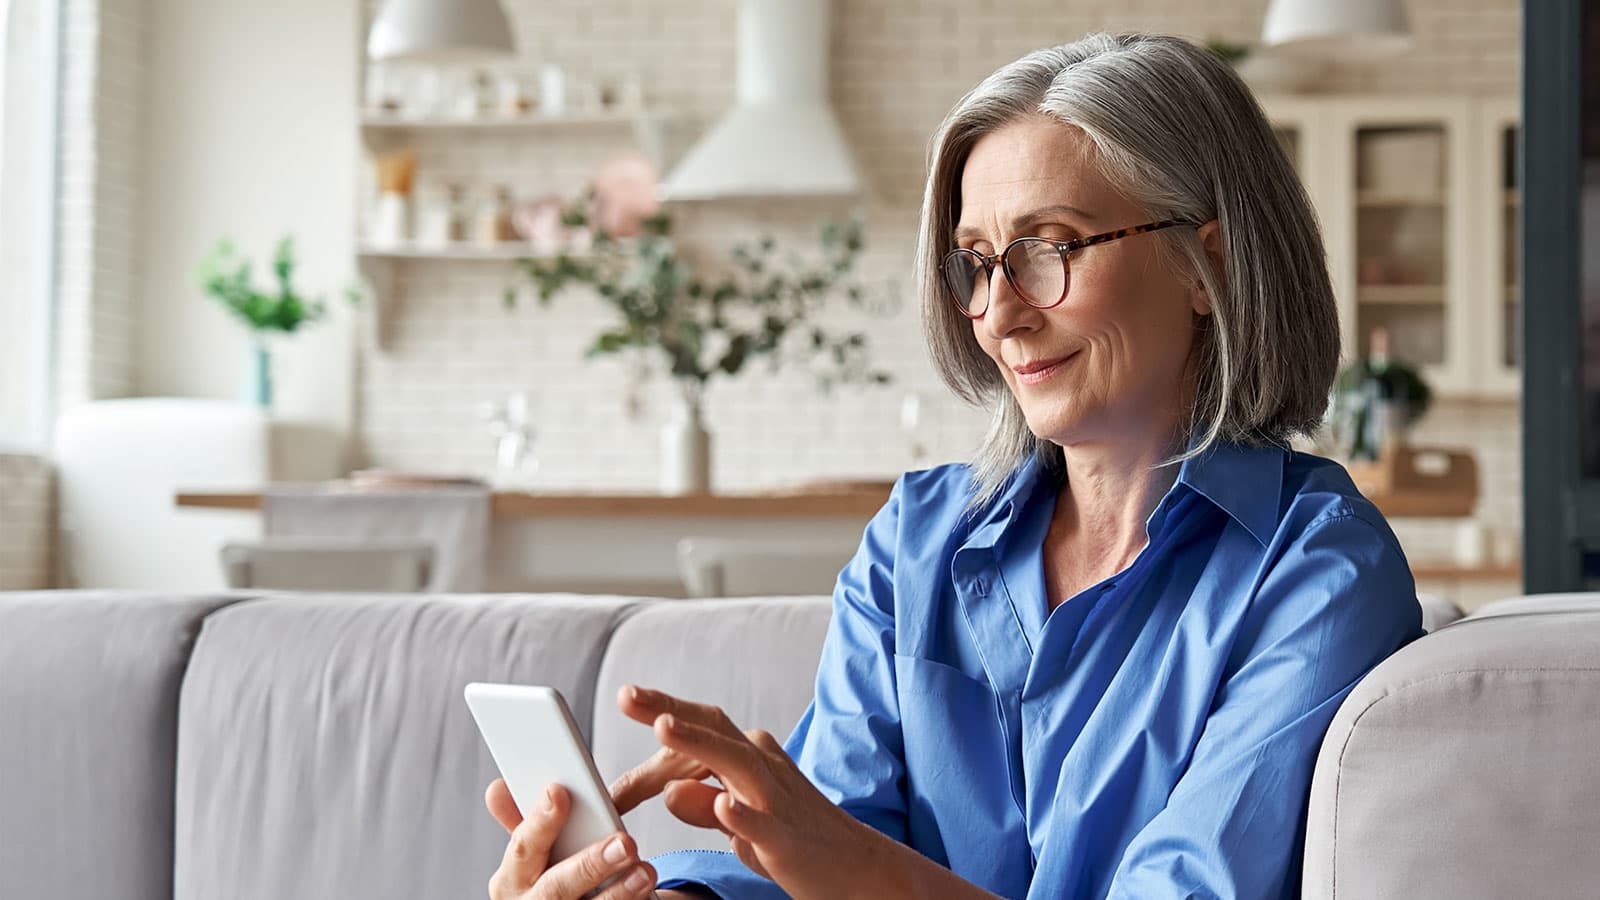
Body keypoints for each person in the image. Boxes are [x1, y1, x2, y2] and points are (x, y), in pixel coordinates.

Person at [482, 32, 1424, 900]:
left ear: (1202, 264)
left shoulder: (1319, 575)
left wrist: (836, 860)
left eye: (1050, 248)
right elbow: (824, 845)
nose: (1000, 313)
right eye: (975, 261)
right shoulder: (916, 540)